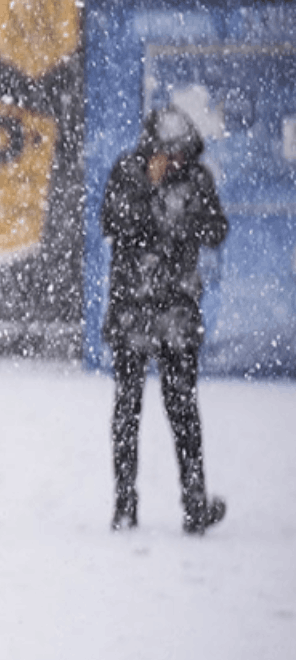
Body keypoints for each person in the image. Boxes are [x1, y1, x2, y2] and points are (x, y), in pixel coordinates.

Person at [101, 105, 229, 534]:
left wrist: (183, 217)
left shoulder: (196, 178)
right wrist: (150, 193)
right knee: (128, 409)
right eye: (168, 153)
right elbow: (114, 222)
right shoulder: (127, 171)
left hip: (176, 310)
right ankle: (125, 504)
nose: (174, 161)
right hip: (132, 311)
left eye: (180, 154)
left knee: (183, 409)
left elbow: (216, 230)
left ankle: (194, 504)